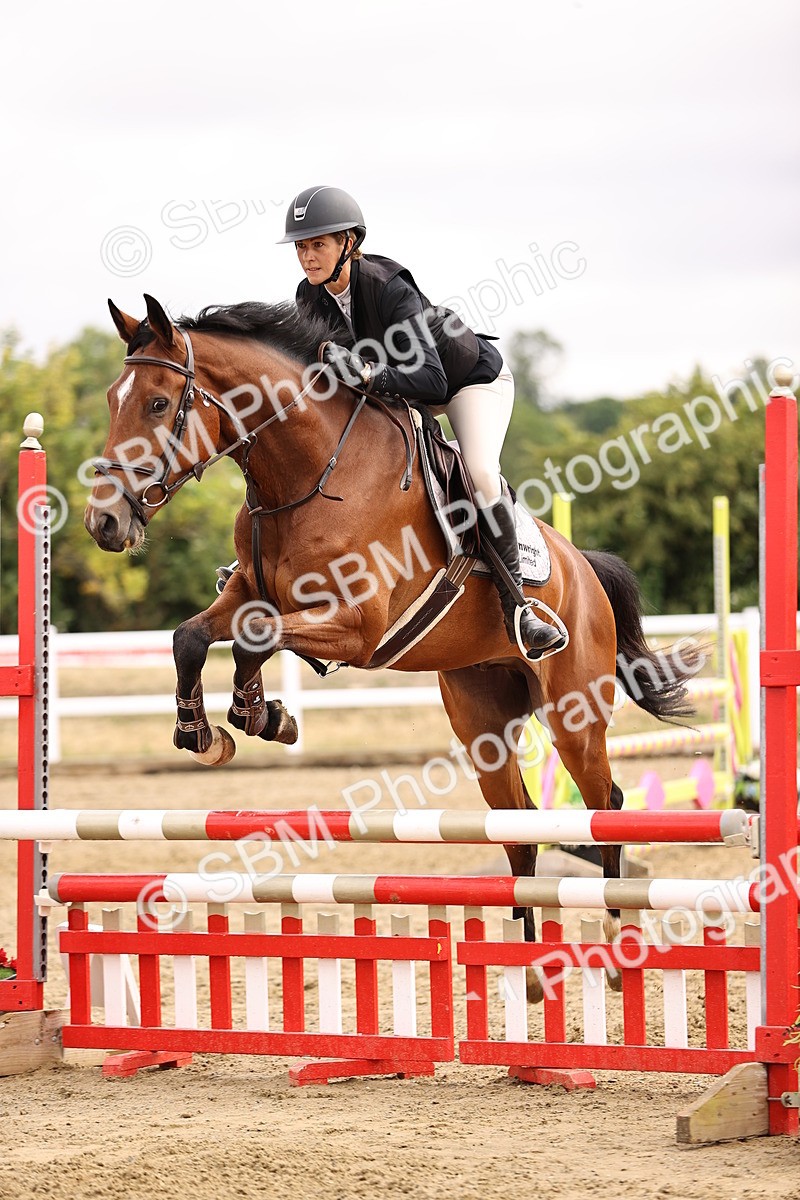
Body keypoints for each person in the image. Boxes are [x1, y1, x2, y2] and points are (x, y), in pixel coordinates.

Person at [220, 185, 566, 660]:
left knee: (480, 472)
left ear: (350, 244)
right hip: (401, 392)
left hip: (465, 384)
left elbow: (430, 376)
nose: (307, 256)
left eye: (317, 244)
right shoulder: (310, 296)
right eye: (301, 246)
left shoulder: (388, 286)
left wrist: (365, 371)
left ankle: (519, 608)